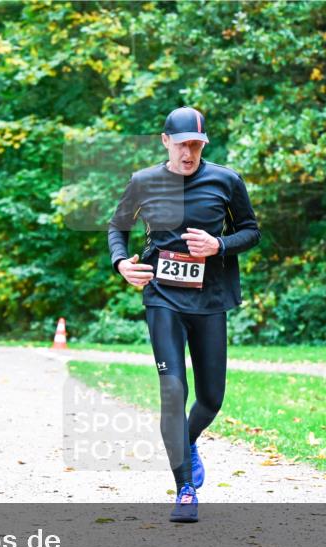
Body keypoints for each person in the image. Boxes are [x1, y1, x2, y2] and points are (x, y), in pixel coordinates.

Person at [107, 106, 261, 523]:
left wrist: (220, 245)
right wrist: (122, 264)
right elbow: (117, 227)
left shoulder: (226, 180)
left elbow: (251, 230)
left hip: (210, 301)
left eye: (196, 145)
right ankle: (185, 490)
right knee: (174, 393)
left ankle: (186, 441)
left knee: (211, 398)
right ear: (165, 142)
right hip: (163, 298)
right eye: (181, 145)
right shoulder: (144, 182)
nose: (188, 153)